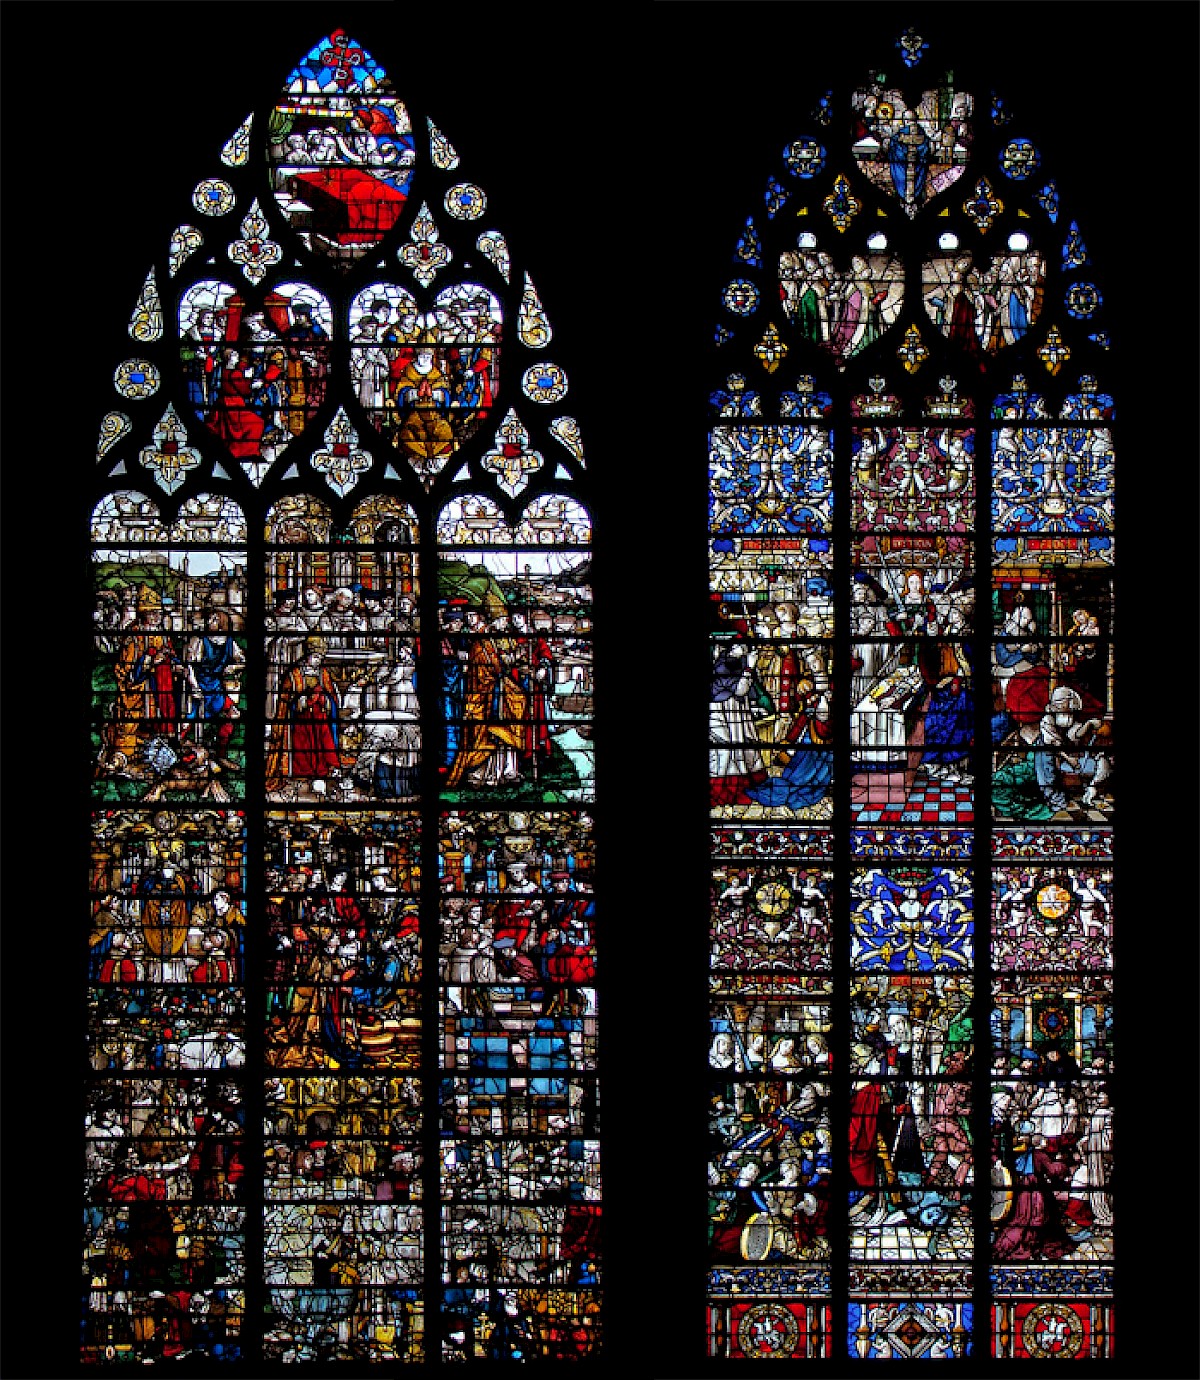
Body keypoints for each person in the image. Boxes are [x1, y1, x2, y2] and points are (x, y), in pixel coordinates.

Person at [265, 638, 342, 792]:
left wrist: (325, 700)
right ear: (307, 655)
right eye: (315, 657)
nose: (317, 661)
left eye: (320, 658)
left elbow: (333, 698)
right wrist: (300, 702)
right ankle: (301, 775)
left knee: (321, 748)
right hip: (300, 721)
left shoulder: (324, 674)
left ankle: (320, 773)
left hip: (320, 720)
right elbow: (285, 700)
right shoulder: (294, 675)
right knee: (302, 747)